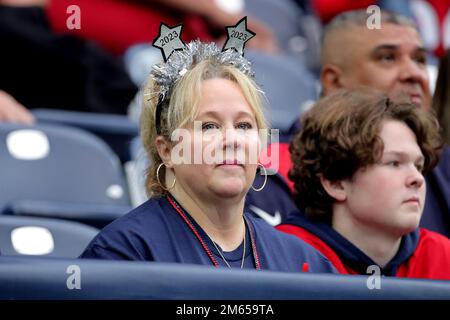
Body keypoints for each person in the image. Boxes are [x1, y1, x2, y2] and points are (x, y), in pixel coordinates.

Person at [81, 23, 335, 273]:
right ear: (167, 150)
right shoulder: (123, 255)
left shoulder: (301, 261)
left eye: (244, 126)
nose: (232, 140)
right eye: (209, 126)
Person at [246, 9, 450, 238]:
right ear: (333, 81)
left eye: (419, 60)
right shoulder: (266, 169)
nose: (414, 73)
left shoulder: (444, 166)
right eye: (387, 58)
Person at [277, 88, 450, 280]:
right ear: (335, 182)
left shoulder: (443, 257)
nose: (417, 179)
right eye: (394, 163)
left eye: (418, 166)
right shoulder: (282, 257)